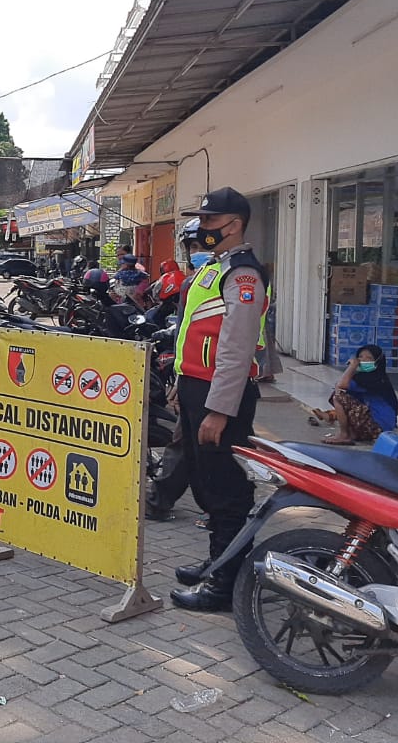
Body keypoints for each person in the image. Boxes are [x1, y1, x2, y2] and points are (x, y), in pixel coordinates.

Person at [168, 187, 269, 612]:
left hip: (221, 396)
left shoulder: (243, 276)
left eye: (210, 221)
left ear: (235, 225)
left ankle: (225, 586)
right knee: (205, 483)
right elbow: (194, 331)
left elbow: (236, 349)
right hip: (198, 387)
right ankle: (217, 561)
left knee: (226, 490)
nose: (202, 227)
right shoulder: (215, 267)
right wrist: (181, 380)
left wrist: (219, 410)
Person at [145, 219, 209, 522]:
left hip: (216, 380)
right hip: (195, 377)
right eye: (192, 247)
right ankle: (163, 500)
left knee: (194, 446)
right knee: (188, 444)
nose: (196, 253)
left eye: (200, 246)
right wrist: (181, 378)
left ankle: (163, 500)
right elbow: (185, 334)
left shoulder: (232, 279)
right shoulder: (193, 283)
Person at [317, 345, 398, 444]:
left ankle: (344, 435)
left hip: (379, 427)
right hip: (374, 424)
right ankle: (350, 432)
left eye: (369, 358)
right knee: (342, 395)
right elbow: (339, 387)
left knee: (339, 398)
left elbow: (341, 385)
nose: (363, 360)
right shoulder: (364, 377)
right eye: (360, 357)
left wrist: (352, 366)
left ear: (377, 361)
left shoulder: (376, 379)